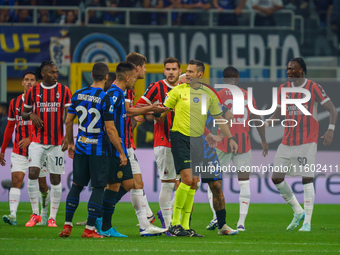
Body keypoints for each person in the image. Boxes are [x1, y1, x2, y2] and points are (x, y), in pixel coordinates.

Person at [162, 59, 238, 237]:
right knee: (187, 180)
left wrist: (227, 137)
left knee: (204, 184)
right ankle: (176, 224)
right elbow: (164, 110)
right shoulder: (179, 91)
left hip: (202, 143)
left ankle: (208, 225)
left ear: (199, 75)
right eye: (185, 72)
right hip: (183, 138)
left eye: (190, 72)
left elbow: (224, 115)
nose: (186, 75)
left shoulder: (209, 94)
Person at [268, 57, 338, 231]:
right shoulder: (283, 88)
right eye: (287, 69)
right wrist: (266, 122)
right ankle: (297, 211)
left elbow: (332, 109)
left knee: (306, 179)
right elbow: (277, 114)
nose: (288, 72)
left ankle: (307, 222)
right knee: (276, 178)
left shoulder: (312, 86)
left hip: (307, 140)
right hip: (287, 141)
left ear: (301, 70)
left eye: (292, 69)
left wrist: (330, 129)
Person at [99, 61, 167, 237]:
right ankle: (101, 220)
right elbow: (109, 126)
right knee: (118, 185)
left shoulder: (119, 94)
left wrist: (151, 108)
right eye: (137, 75)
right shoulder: (114, 94)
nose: (136, 80)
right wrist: (121, 150)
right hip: (117, 147)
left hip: (122, 146)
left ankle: (142, 224)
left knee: (130, 184)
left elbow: (127, 112)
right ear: (128, 76)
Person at [58, 62, 125, 238]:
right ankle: (89, 230)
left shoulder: (78, 94)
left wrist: (70, 142)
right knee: (98, 188)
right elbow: (110, 129)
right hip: (99, 150)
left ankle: (67, 226)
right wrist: (121, 151)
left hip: (80, 147)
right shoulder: (105, 97)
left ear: (91, 75)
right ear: (106, 78)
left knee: (76, 186)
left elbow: (68, 121)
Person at [206, 66, 268, 231]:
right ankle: (241, 223)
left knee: (214, 181)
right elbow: (257, 118)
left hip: (222, 142)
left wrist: (210, 135)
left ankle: (215, 218)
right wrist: (263, 140)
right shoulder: (247, 95)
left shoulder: (218, 94)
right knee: (244, 182)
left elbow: (211, 117)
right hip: (244, 143)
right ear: (238, 78)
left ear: (224, 80)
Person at [22, 61, 72, 227]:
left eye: (57, 72)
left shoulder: (64, 91)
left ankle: (52, 217)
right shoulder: (33, 91)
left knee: (55, 178)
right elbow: (24, 113)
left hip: (57, 142)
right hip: (37, 141)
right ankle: (35, 214)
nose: (56, 75)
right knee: (33, 173)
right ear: (43, 74)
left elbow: (69, 116)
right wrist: (31, 116)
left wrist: (67, 137)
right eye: (52, 72)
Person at [135, 56, 182, 230]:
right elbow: (138, 107)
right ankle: (170, 225)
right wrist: (154, 111)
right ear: (164, 71)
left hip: (183, 143)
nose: (170, 72)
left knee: (190, 181)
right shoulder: (156, 87)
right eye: (167, 69)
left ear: (179, 71)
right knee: (169, 183)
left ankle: (168, 216)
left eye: (174, 69)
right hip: (164, 142)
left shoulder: (184, 88)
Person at [0, 71, 49, 226]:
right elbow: (9, 127)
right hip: (19, 150)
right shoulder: (14, 103)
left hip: (39, 149)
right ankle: (13, 215)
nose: (29, 82)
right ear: (22, 83)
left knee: (42, 185)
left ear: (37, 83)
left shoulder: (42, 103)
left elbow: (48, 127)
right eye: (26, 80)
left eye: (32, 80)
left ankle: (45, 214)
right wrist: (2, 150)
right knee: (16, 180)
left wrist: (31, 138)